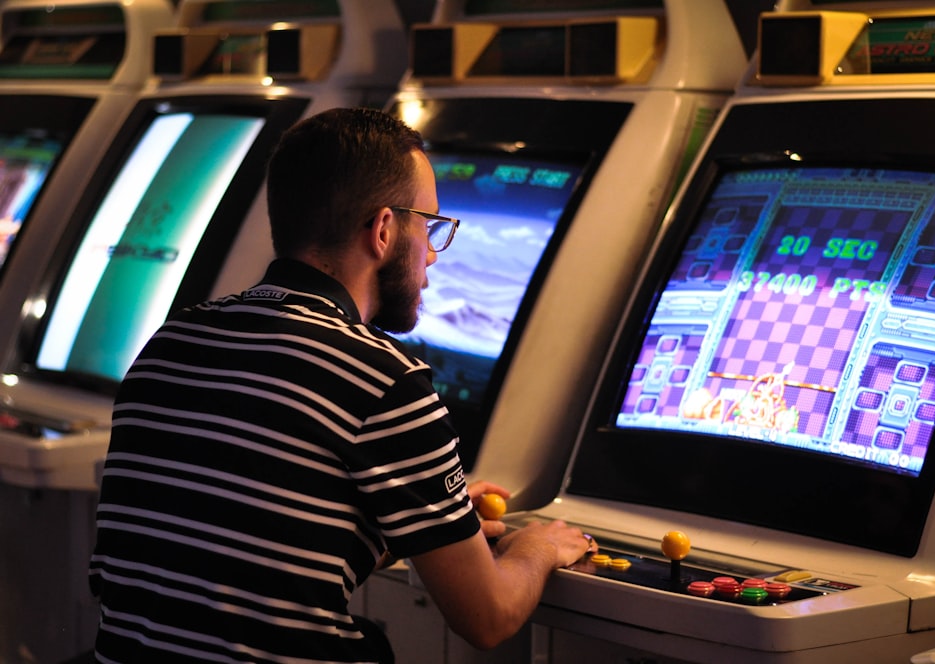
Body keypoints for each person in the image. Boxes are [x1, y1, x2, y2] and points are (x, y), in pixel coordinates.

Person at [88, 107, 595, 663]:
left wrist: (424, 519)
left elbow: (247, 555)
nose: (431, 255)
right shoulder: (385, 379)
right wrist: (537, 549)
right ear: (383, 230)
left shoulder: (172, 340)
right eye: (430, 227)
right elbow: (489, 617)